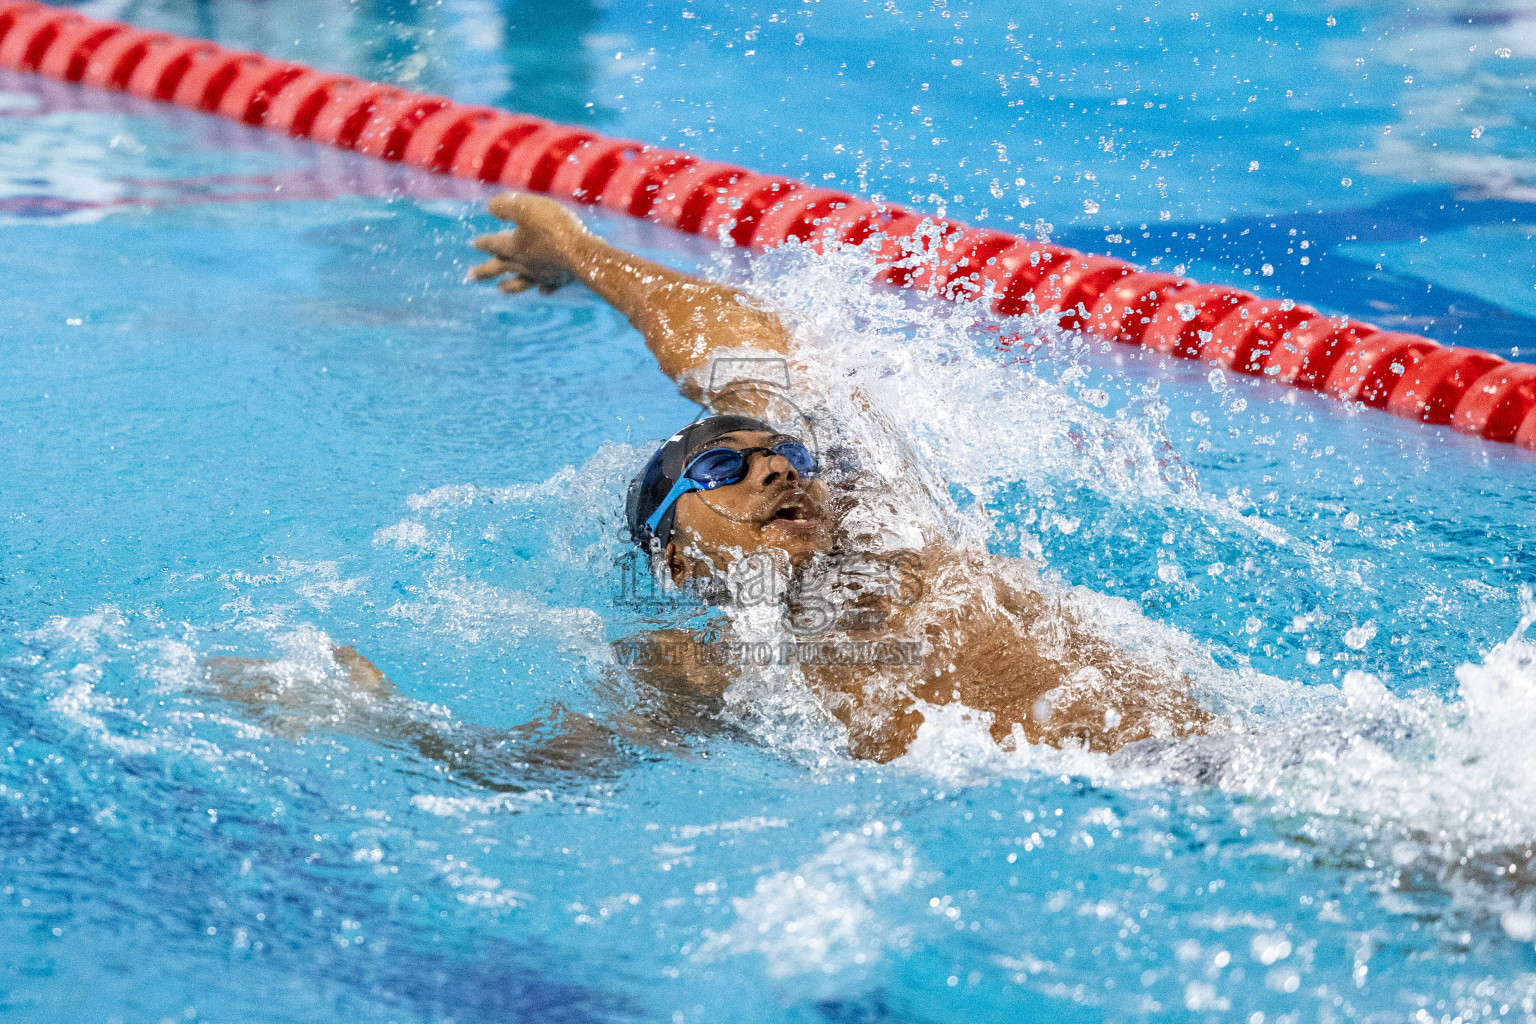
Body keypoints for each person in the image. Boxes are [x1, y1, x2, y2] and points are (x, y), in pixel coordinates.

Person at [466, 193, 1212, 761]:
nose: (777, 465)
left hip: (1224, 759)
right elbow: (564, 758)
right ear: (677, 558)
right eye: (723, 466)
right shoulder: (709, 667)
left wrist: (576, 248)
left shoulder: (881, 534)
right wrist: (376, 719)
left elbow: (741, 347)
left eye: (787, 455)